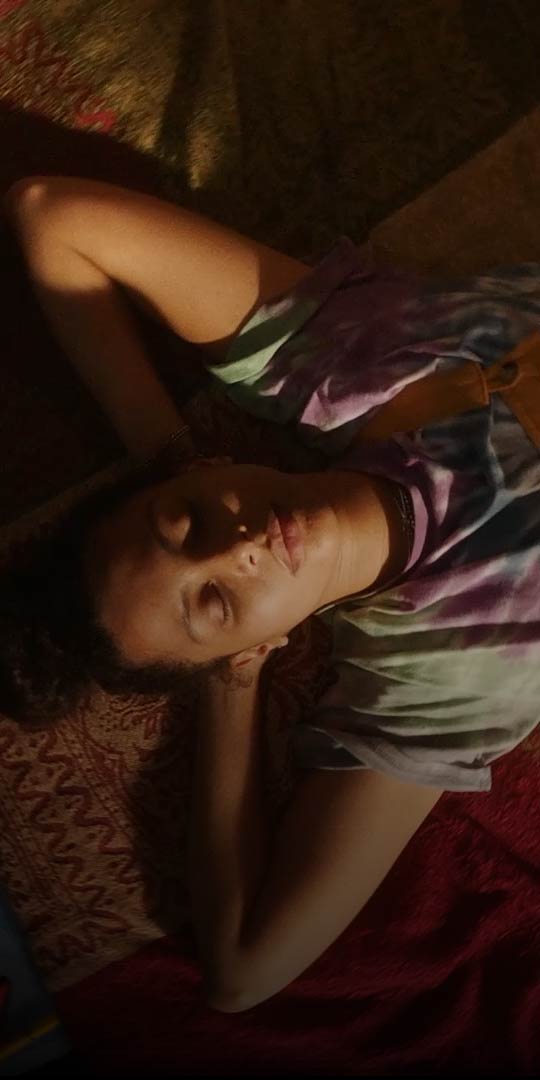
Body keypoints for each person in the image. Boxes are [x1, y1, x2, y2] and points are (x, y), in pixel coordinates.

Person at [3, 177, 540, 1013]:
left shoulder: (342, 362)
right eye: (213, 603)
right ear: (249, 645)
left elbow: (49, 213)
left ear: (208, 469)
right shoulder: (443, 673)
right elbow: (243, 970)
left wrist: (167, 455)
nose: (239, 547)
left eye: (185, 521)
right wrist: (234, 687)